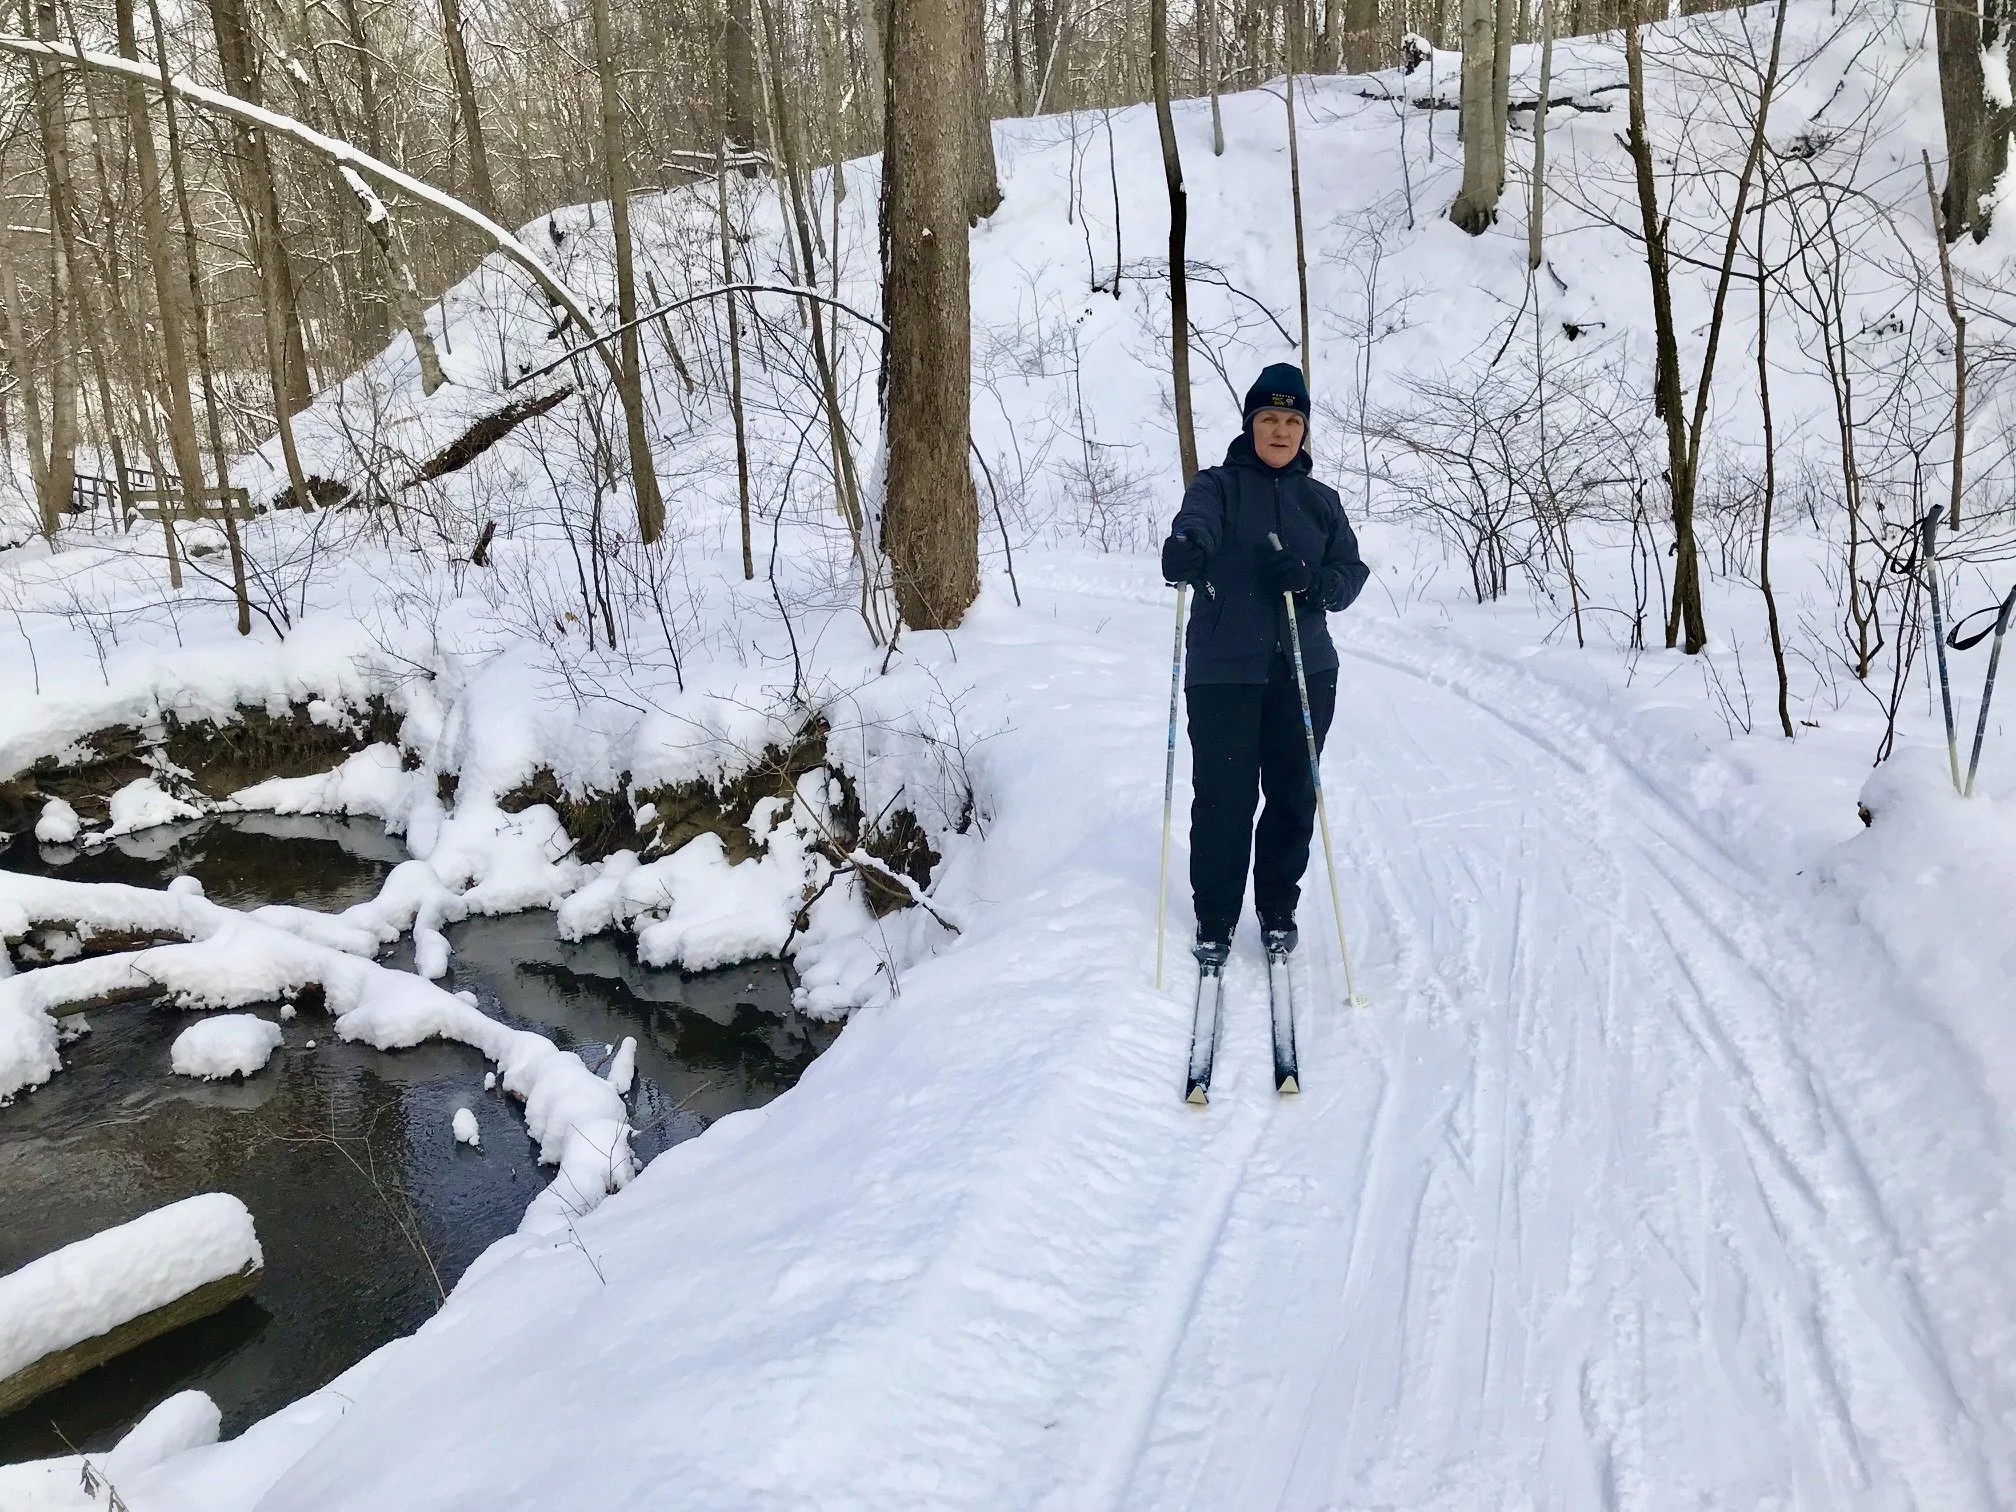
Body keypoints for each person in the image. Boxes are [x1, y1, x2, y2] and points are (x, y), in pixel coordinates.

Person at [1159, 362, 1369, 968]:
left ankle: (1278, 908)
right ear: (1251, 425)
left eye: (1292, 420)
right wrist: (1187, 550)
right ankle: (1216, 916)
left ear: (1304, 431)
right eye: (1269, 419)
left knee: (1292, 793)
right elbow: (1192, 527)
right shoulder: (1217, 487)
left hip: (1306, 670)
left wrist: (1313, 583)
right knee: (1223, 797)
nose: (1280, 431)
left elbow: (1350, 575)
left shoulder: (1321, 502)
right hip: (1225, 671)